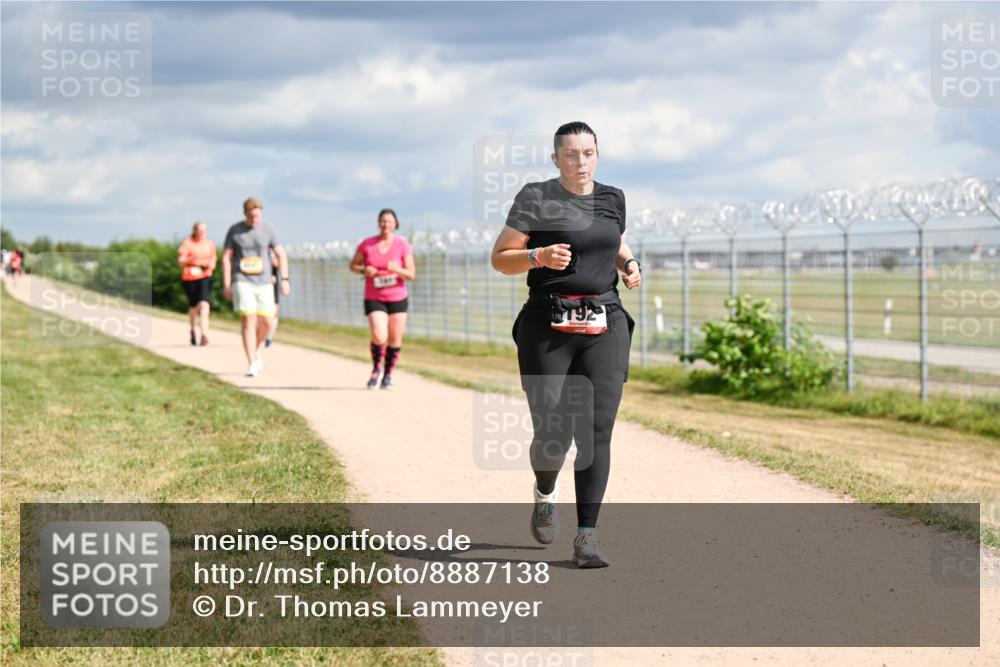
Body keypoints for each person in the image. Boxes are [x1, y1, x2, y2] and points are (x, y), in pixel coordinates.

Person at [490, 121, 641, 568]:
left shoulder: (613, 198)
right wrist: (537, 256)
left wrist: (629, 262)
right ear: (555, 158)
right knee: (553, 432)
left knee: (595, 431)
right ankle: (544, 490)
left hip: (604, 321)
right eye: (571, 154)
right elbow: (500, 258)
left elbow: (613, 240)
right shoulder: (536, 197)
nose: (581, 162)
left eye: (589, 153)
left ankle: (587, 537)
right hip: (547, 323)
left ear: (598, 154)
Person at [222, 197, 290, 377]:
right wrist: (227, 283)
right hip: (242, 278)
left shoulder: (268, 230)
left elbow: (281, 253)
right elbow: (226, 257)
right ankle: (252, 362)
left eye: (257, 216)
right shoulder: (235, 231)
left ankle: (255, 346)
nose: (254, 220)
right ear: (245, 214)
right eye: (251, 216)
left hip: (264, 281)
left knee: (267, 322)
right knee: (248, 319)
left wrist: (284, 279)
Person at [350, 208, 415, 389]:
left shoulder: (402, 245)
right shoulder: (367, 245)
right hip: (374, 296)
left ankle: (388, 375)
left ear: (395, 224)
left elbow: (411, 274)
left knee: (394, 339)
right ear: (379, 223)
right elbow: (353, 265)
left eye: (390, 221)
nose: (386, 225)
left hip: (397, 297)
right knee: (379, 335)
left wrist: (397, 269)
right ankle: (376, 368)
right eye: (383, 221)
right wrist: (364, 270)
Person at [177, 221, 217, 346]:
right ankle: (193, 330)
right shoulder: (187, 243)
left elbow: (213, 258)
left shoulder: (209, 244)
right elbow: (180, 261)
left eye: (204, 231)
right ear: (194, 230)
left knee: (204, 304)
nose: (202, 233)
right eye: (199, 231)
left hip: (205, 275)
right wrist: (191, 259)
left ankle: (204, 334)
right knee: (194, 307)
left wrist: (211, 264)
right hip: (190, 277)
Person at [265, 247, 281, 348]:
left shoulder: (275, 251)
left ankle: (269, 337)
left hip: (273, 285)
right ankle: (259, 334)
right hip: (260, 284)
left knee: (274, 312)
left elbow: (279, 264)